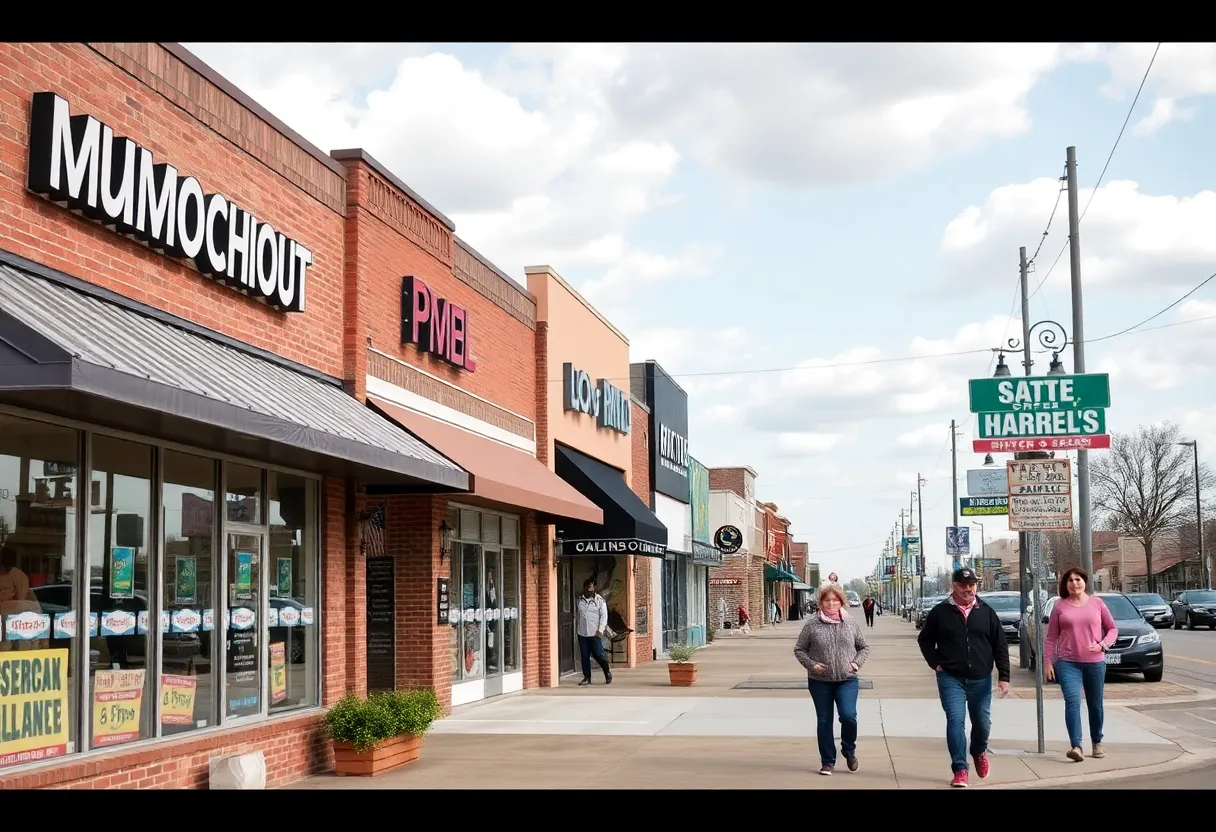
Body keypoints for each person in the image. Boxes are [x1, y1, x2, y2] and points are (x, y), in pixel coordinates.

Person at [916, 567, 1011, 788]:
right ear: (954, 586)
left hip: (980, 679)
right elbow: (925, 640)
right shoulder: (940, 612)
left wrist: (1004, 676)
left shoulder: (986, 612)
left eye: (972, 585)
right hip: (951, 678)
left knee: (982, 723)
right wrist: (936, 663)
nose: (968, 589)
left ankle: (978, 751)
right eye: (963, 585)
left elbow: (1000, 646)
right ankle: (960, 769)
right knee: (955, 722)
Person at [794, 583, 870, 776]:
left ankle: (848, 748)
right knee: (824, 720)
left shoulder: (850, 622)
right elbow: (799, 649)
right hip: (820, 681)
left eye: (835, 600)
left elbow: (863, 647)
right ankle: (828, 761)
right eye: (827, 600)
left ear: (841, 602)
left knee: (848, 716)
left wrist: (855, 664)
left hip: (847, 679)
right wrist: (812, 665)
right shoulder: (812, 624)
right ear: (821, 603)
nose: (831, 604)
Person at [1044, 567, 1117, 762]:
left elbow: (1112, 630)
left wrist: (1102, 646)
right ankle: (1076, 746)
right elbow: (1051, 637)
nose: (1074, 583)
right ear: (1065, 584)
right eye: (1070, 580)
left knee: (1095, 705)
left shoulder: (1097, 603)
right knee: (1072, 702)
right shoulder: (1060, 606)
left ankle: (1097, 742)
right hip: (1068, 663)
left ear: (1085, 581)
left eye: (1078, 580)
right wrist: (1048, 662)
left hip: (1095, 663)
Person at [575, 578, 612, 686]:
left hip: (595, 633)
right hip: (582, 633)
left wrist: (600, 630)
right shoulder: (579, 600)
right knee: (584, 655)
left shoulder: (599, 601)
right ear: (584, 588)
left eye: (592, 587)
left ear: (594, 588)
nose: (589, 590)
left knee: (598, 655)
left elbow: (604, 617)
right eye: (588, 587)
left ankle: (607, 671)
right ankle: (587, 677)